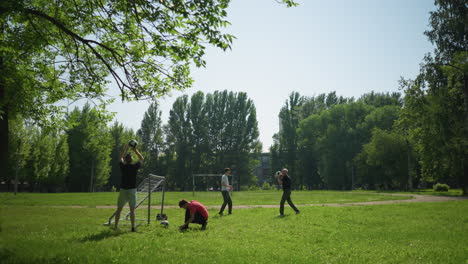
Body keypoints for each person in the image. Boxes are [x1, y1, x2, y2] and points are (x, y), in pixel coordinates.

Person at [113, 143, 144, 232]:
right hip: (132, 190)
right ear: (132, 159)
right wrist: (135, 150)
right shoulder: (134, 167)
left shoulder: (123, 166)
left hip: (123, 190)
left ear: (125, 160)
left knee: (119, 209)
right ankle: (133, 227)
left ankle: (115, 226)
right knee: (132, 210)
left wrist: (125, 148)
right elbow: (142, 158)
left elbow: (120, 158)